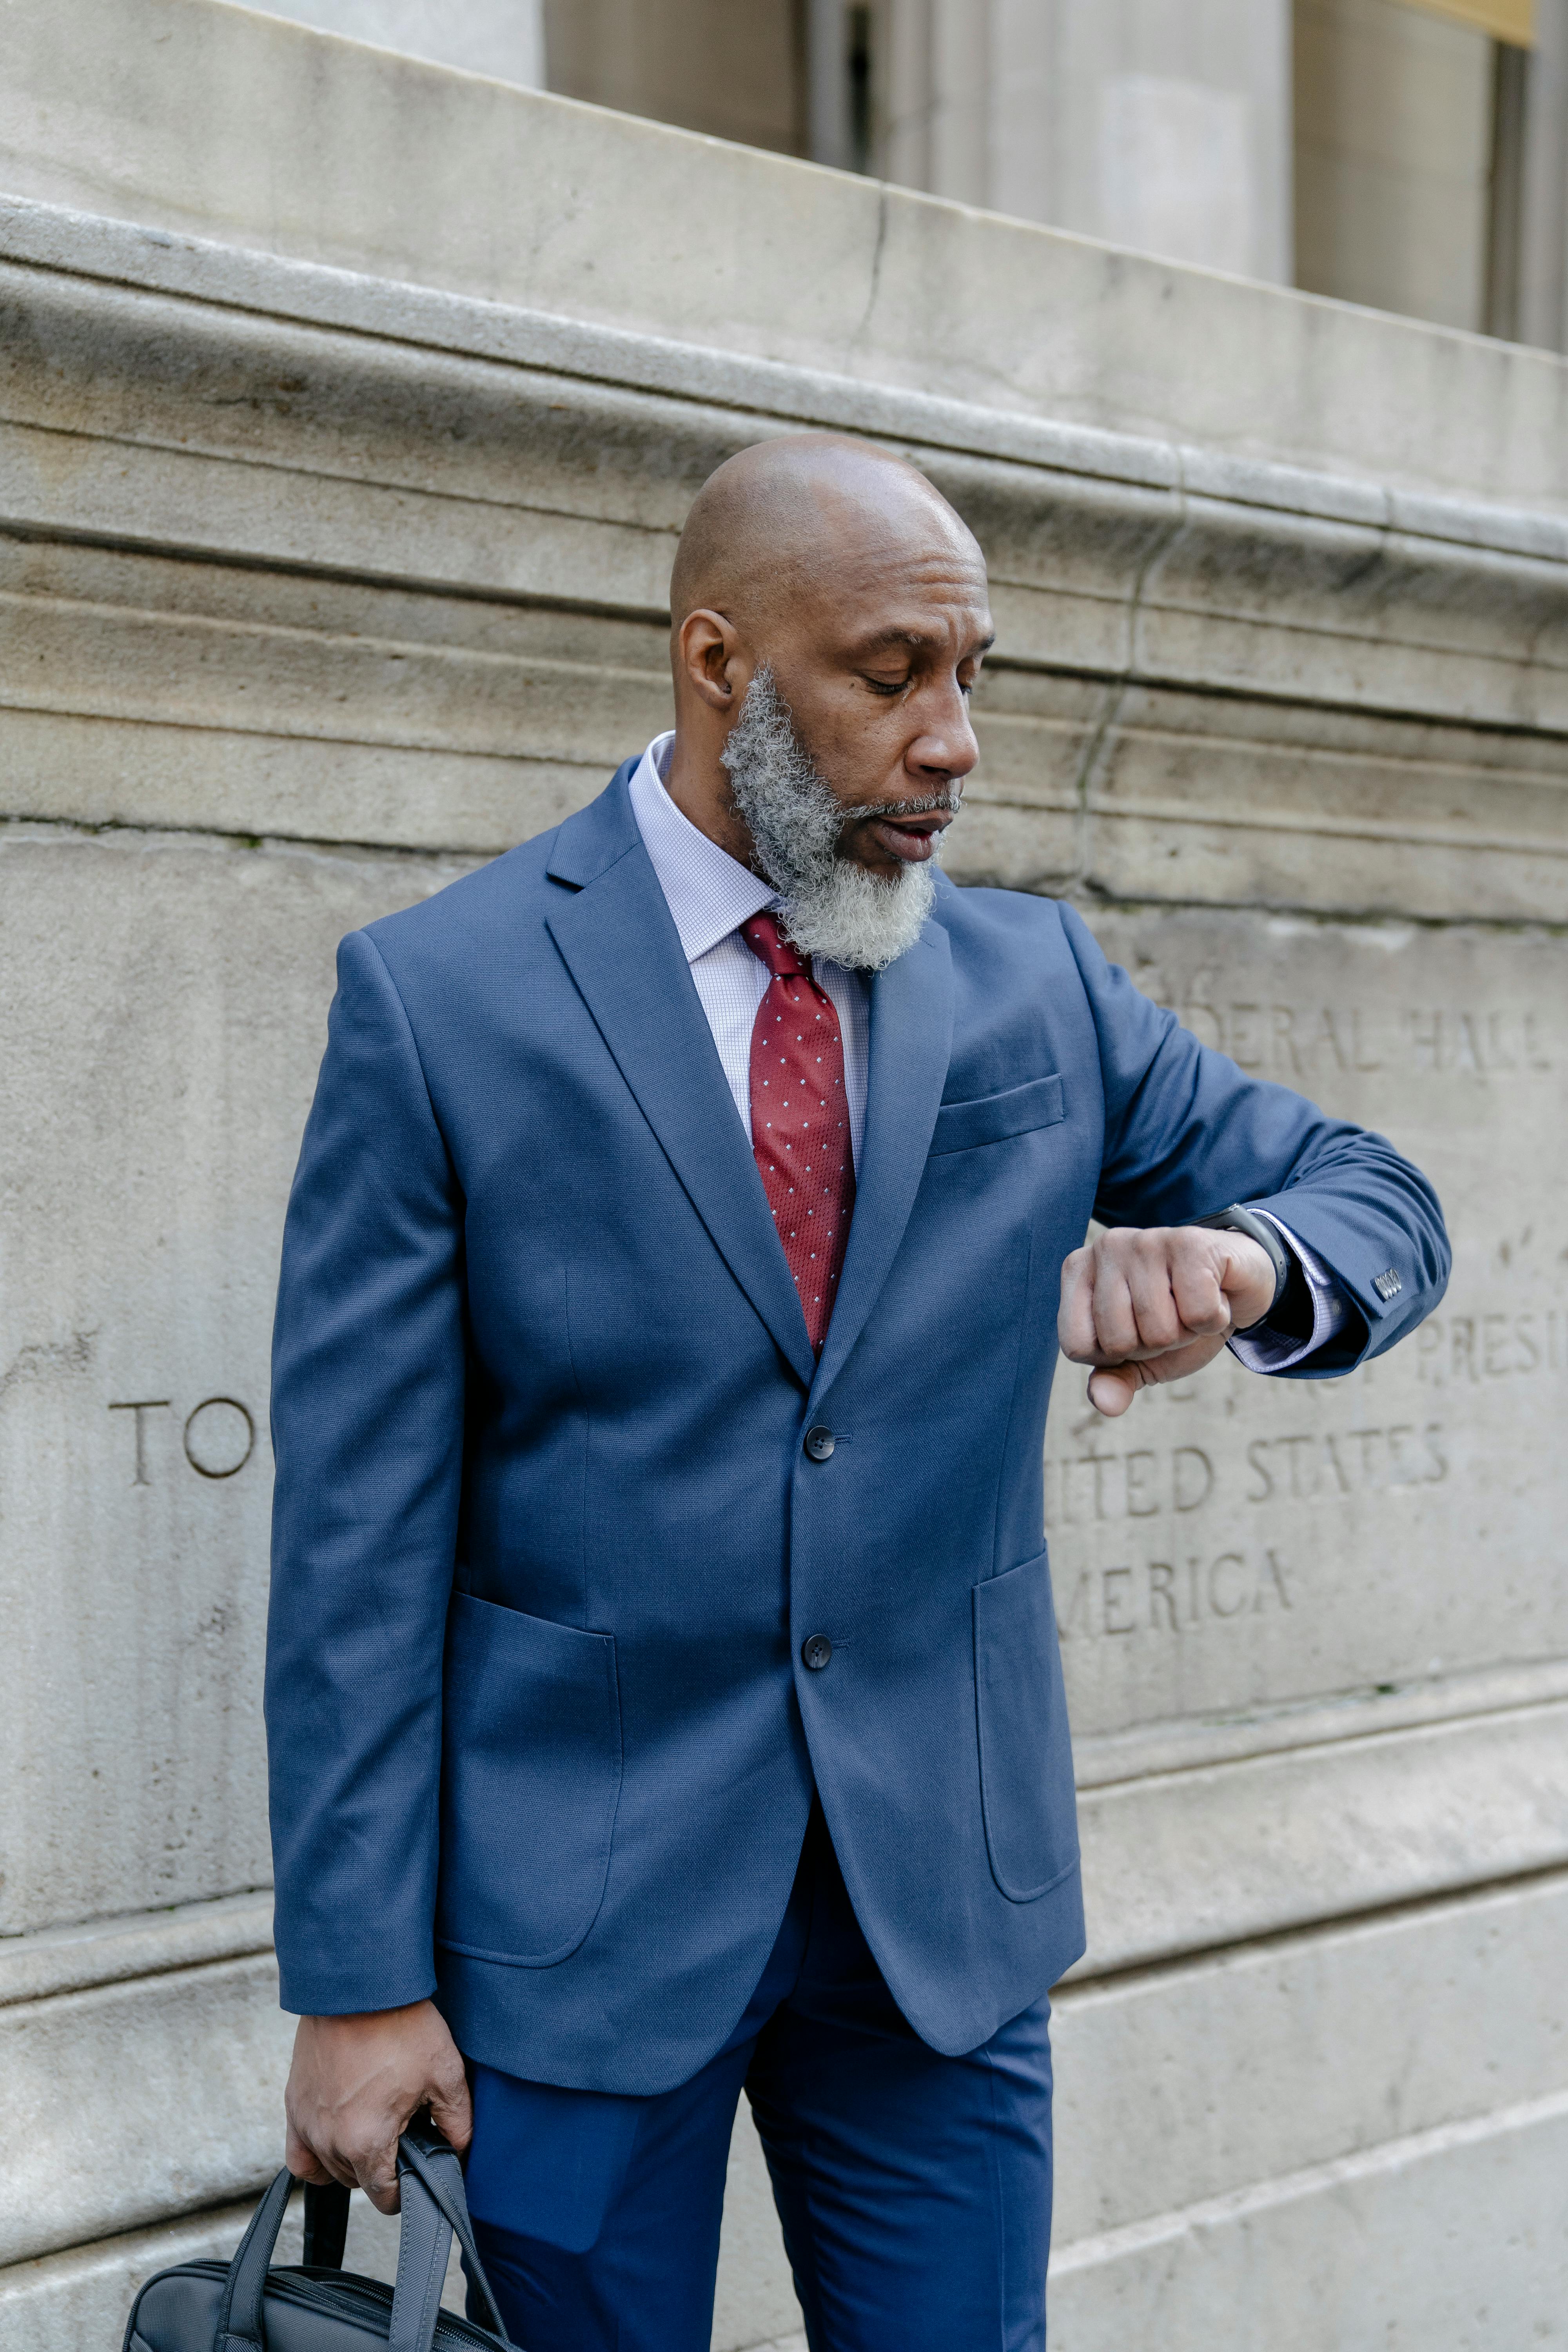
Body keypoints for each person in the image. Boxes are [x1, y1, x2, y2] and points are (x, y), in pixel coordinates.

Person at [266, 435, 1448, 2351]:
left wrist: (1242, 1269)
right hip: (573, 1938)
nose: (955, 737)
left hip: (936, 1928)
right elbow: (351, 1536)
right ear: (720, 662)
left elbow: (1372, 1197)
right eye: (892, 674)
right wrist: (352, 1981)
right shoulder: (443, 997)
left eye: (973, 674)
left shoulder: (1032, 983)